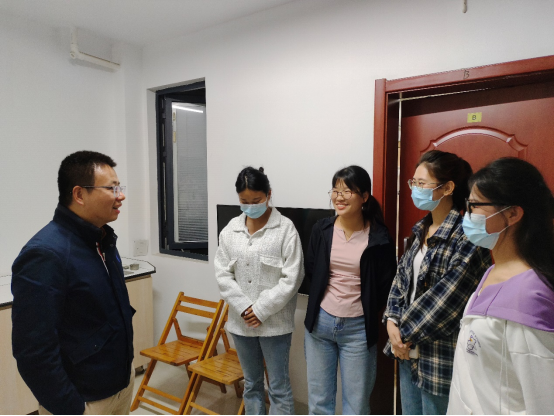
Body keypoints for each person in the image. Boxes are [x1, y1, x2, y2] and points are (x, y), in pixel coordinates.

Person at [11, 151, 135, 415]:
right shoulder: (45, 254)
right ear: (79, 194)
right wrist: (72, 408)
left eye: (120, 187)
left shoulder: (103, 240)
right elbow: (34, 352)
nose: (121, 195)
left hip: (120, 385)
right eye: (112, 188)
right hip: (84, 399)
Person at [383, 150, 492, 415]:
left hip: (439, 357)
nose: (415, 189)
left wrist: (402, 335)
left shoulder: (467, 237)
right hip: (407, 353)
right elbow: (400, 281)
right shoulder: (420, 229)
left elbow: (446, 300)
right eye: (413, 182)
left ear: (447, 188)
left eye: (422, 183)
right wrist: (390, 321)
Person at [448, 158, 554, 415]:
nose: (467, 215)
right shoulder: (494, 271)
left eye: (475, 206)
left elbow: (543, 400)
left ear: (512, 214)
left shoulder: (529, 296)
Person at [304, 166, 397, 415]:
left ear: (364, 196)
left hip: (358, 329)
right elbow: (312, 269)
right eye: (335, 191)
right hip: (321, 323)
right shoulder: (322, 230)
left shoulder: (379, 236)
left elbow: (386, 283)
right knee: (319, 402)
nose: (339, 197)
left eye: (347, 191)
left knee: (356, 405)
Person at [215, 167, 304, 415]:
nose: (251, 206)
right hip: (241, 322)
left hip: (275, 324)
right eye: (244, 201)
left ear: (268, 195)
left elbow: (293, 277)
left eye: (256, 200)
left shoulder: (285, 229)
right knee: (251, 384)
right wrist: (245, 308)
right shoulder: (230, 230)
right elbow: (222, 274)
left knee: (278, 386)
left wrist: (261, 309)